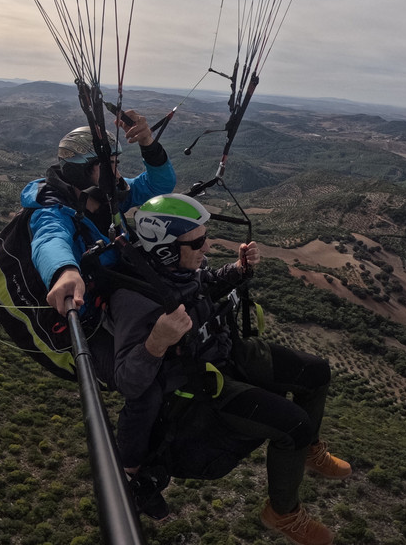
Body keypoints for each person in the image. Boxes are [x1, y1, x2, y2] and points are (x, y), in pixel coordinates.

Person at [107, 193, 351, 544]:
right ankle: (283, 512)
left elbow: (204, 284)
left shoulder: (176, 269)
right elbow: (129, 382)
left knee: (317, 373)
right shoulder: (136, 299)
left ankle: (310, 449)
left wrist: (239, 270)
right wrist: (156, 341)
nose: (207, 247)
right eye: (199, 242)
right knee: (293, 424)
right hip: (204, 381)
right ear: (164, 249)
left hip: (227, 352)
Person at [20, 111, 176, 319]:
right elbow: (50, 240)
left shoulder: (109, 195)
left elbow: (159, 184)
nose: (118, 175)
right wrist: (65, 271)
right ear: (81, 173)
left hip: (122, 286)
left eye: (116, 164)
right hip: (93, 311)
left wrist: (148, 143)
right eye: (110, 165)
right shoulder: (52, 212)